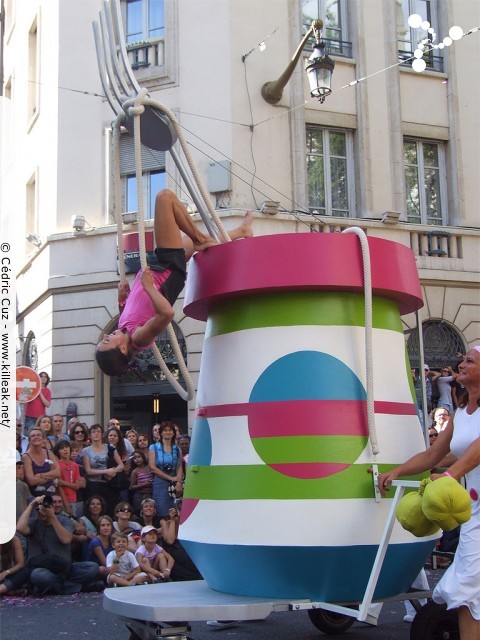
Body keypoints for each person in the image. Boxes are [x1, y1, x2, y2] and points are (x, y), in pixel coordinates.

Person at [377, 347, 480, 639]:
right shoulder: (461, 413)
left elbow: (476, 452)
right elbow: (434, 454)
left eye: (469, 361)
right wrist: (397, 472)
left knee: (467, 587)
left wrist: (449, 477)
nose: (461, 364)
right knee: (469, 594)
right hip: (473, 511)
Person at [95, 189, 253, 377]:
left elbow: (134, 314)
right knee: (165, 198)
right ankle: (201, 239)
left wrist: (122, 300)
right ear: (122, 349)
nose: (105, 336)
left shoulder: (126, 330)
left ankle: (241, 231)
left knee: (192, 242)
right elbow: (166, 314)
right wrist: (148, 287)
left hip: (161, 268)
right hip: (167, 270)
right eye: (106, 341)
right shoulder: (139, 338)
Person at [16, 495, 101, 596]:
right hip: (43, 569)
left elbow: (66, 539)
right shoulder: (33, 522)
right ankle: (79, 587)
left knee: (93, 568)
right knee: (37, 576)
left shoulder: (63, 520)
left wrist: (52, 517)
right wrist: (31, 505)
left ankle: (54, 587)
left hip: (65, 567)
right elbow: (20, 528)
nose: (44, 510)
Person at [82, 423, 123, 516]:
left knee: (108, 509)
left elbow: (121, 465)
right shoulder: (86, 451)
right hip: (93, 484)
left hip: (108, 484)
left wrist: (112, 472)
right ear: (90, 435)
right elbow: (88, 470)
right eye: (93, 432)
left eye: (98, 431)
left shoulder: (109, 447)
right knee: (93, 510)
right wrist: (106, 471)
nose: (96, 434)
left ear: (102, 434)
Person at [148, 421, 183, 517]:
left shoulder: (177, 449)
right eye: (165, 430)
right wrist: (171, 478)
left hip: (175, 483)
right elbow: (152, 468)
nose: (168, 432)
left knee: (176, 512)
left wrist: (179, 482)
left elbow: (179, 466)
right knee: (162, 513)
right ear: (161, 433)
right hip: (160, 482)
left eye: (170, 430)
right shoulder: (153, 447)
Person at [22, 428, 60, 498]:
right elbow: (31, 481)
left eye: (38, 435)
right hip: (35, 497)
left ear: (43, 439)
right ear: (29, 440)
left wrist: (40, 475)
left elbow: (57, 473)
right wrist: (50, 477)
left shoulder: (49, 453)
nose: (36, 437)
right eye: (33, 436)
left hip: (52, 496)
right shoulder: (26, 457)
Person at [54, 440, 84, 516]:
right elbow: (58, 486)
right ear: (58, 451)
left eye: (67, 447)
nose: (65, 450)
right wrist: (66, 504)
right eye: (62, 448)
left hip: (73, 499)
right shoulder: (56, 465)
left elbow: (77, 486)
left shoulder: (75, 466)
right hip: (61, 500)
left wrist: (63, 482)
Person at [130, 450, 153, 514]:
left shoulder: (149, 467)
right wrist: (144, 484)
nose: (137, 459)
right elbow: (132, 487)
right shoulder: (135, 471)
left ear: (143, 457)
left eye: (139, 457)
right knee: (140, 512)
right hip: (140, 496)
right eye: (135, 458)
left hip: (151, 494)